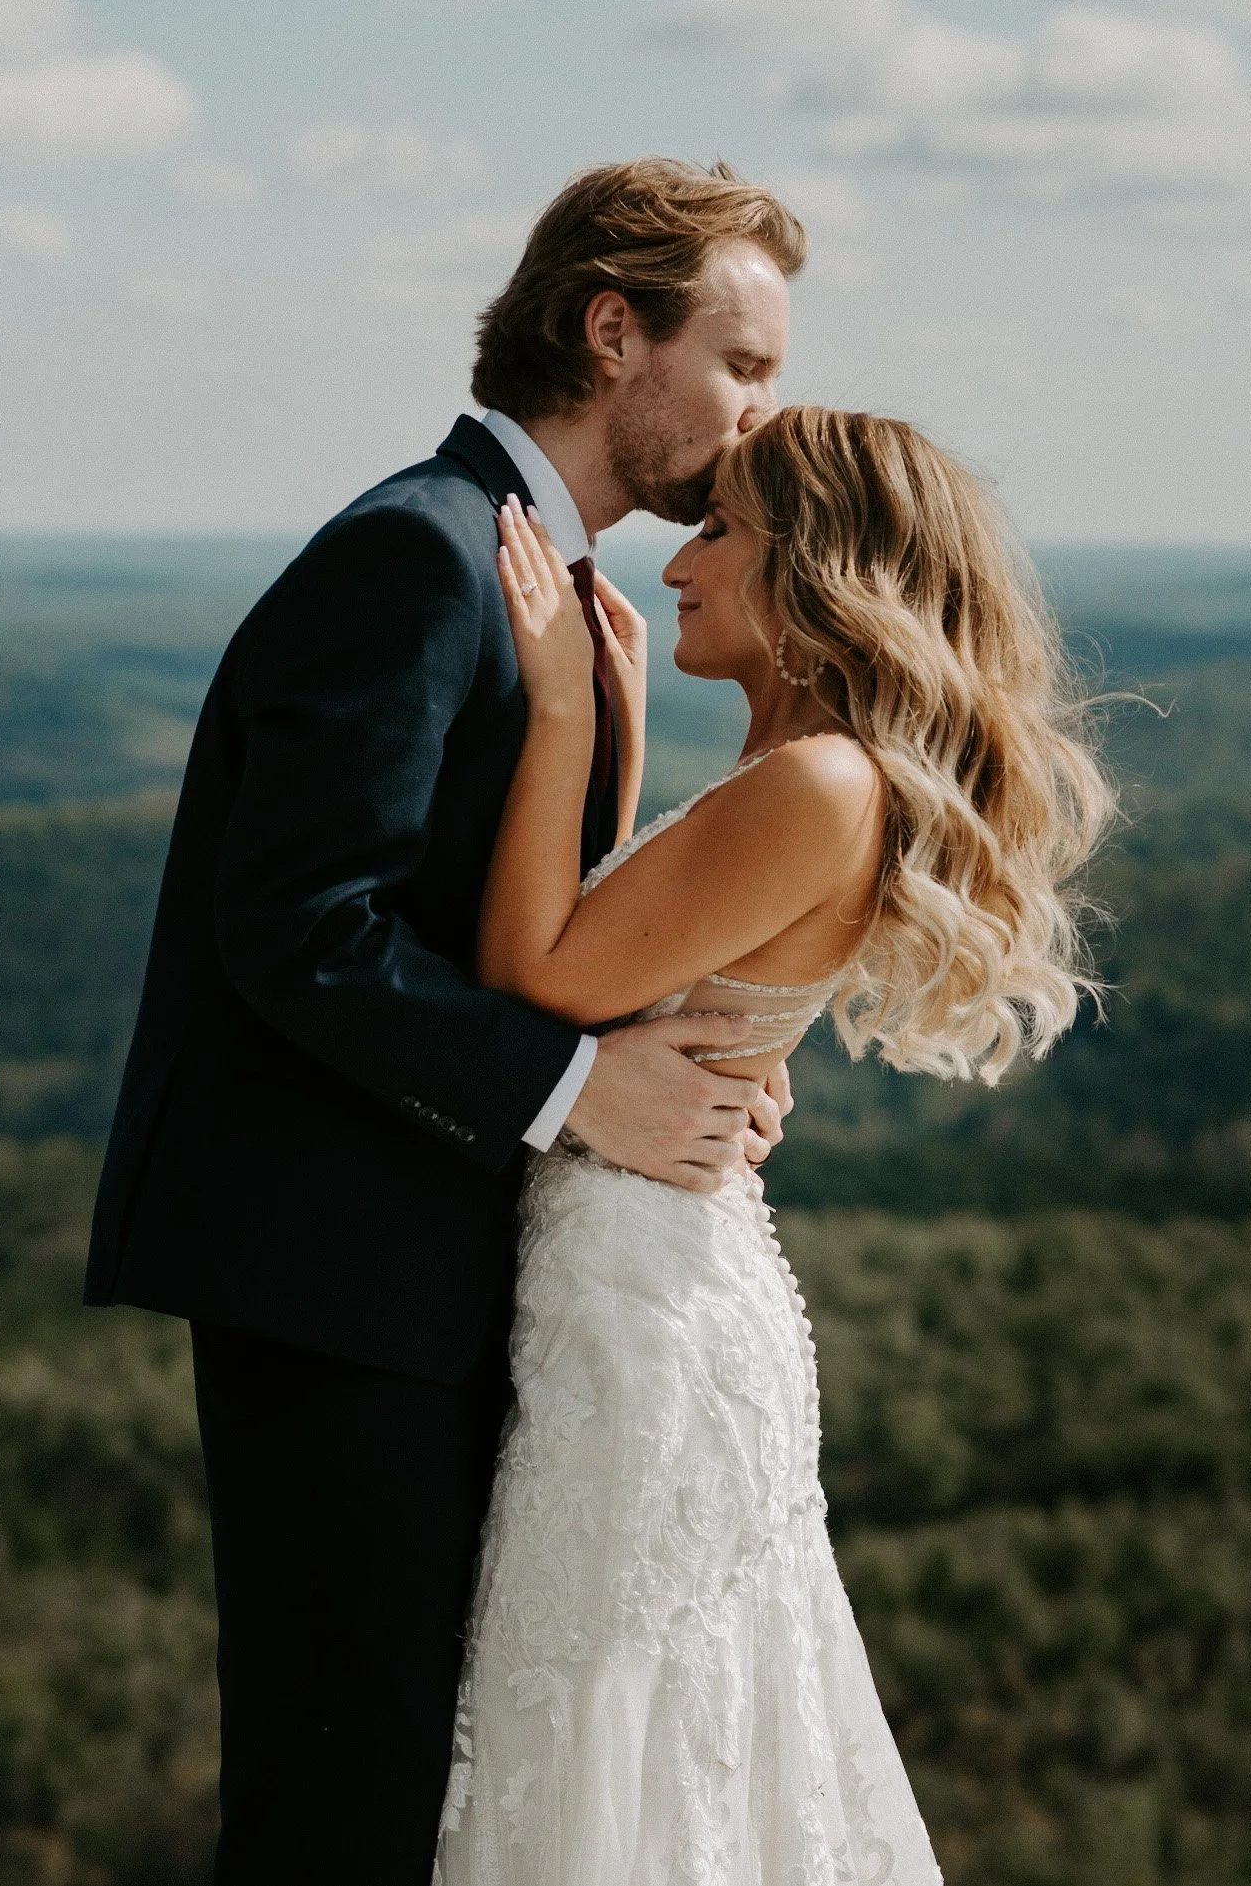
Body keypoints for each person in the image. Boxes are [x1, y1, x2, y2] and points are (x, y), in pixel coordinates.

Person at [82, 160, 808, 1884]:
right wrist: (577, 1092)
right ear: (611, 330)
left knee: (435, 1785)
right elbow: (300, 929)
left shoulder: (559, 588)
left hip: (455, 1263)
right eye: (741, 361)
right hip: (334, 1271)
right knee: (344, 1790)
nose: (761, 412)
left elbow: (535, 938)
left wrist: (696, 1065)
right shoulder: (417, 554)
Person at [434, 406, 1114, 1884]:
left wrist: (560, 714)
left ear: (819, 569)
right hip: (638, 1282)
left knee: (614, 1736)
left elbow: (535, 978)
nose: (678, 563)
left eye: (721, 528)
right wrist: (613, 733)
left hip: (644, 1315)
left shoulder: (820, 785)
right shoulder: (802, 770)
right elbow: (632, 943)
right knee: (629, 1739)